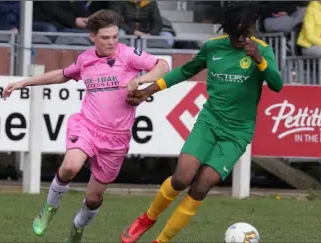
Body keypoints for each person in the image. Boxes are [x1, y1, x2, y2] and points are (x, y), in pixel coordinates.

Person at [120, 2, 283, 243]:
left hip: (237, 133)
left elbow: (277, 85)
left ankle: (161, 241)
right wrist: (147, 92)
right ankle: (147, 218)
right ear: (226, 29)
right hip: (210, 121)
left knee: (202, 186)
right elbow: (184, 71)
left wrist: (260, 61)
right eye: (235, 33)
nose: (240, 39)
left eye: (245, 33)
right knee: (182, 178)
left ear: (251, 28)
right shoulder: (212, 48)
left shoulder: (261, 50)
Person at [2, 9, 169, 243]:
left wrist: (140, 80)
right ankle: (49, 209)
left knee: (93, 198)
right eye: (105, 38)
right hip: (87, 126)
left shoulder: (129, 55)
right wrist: (24, 83)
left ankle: (78, 226)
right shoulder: (85, 59)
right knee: (70, 167)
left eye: (114, 37)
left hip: (117, 138)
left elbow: (163, 65)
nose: (111, 42)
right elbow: (62, 74)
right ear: (93, 38)